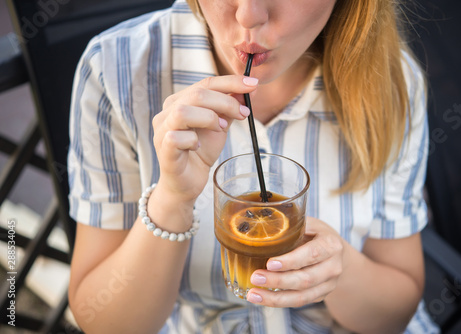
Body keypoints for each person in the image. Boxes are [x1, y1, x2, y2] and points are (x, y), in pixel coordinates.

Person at [67, 0, 439, 333]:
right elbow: (104, 322)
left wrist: (334, 270)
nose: (247, 14)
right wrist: (172, 200)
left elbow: (395, 315)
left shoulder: (393, 83)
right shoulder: (113, 71)